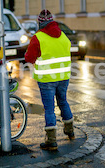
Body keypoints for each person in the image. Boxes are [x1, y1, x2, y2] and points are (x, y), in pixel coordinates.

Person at [25, 9, 74, 150]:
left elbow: (29, 58)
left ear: (40, 23)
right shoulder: (63, 36)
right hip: (64, 77)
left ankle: (51, 140)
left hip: (47, 79)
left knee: (49, 108)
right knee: (63, 101)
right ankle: (70, 131)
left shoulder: (38, 37)